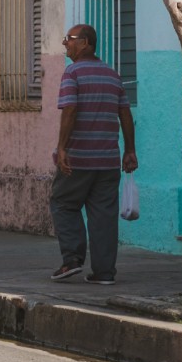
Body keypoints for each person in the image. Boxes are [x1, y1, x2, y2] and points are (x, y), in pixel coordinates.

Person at [51, 23, 137, 284]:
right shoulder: (112, 75)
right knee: (103, 216)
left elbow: (70, 111)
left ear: (85, 43)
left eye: (70, 39)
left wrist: (63, 148)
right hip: (108, 160)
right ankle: (104, 273)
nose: (65, 43)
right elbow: (125, 112)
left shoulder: (72, 73)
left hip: (79, 158)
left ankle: (72, 260)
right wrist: (130, 150)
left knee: (63, 203)